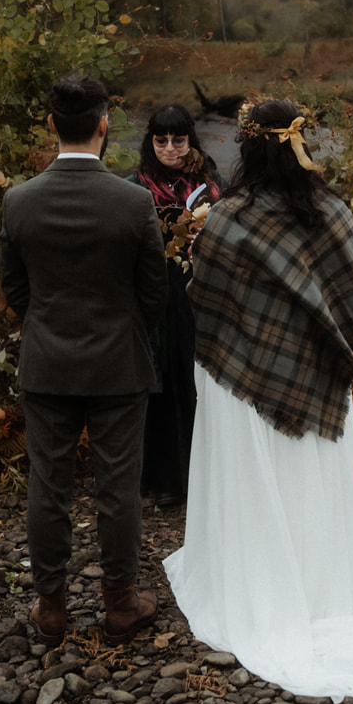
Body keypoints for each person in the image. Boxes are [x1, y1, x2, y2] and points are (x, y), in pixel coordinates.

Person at [163, 98, 353, 703]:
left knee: (253, 482)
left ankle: (255, 589)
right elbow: (347, 306)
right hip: (316, 375)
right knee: (307, 482)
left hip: (237, 378)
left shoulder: (228, 217)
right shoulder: (334, 212)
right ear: (299, 144)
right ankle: (321, 594)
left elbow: (206, 301)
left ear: (248, 148)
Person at [0, 75, 169, 647]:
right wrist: (125, 331)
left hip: (48, 362)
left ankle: (51, 607)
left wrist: (48, 326)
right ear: (104, 124)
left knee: (47, 485)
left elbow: (15, 291)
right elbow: (154, 291)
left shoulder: (19, 200)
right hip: (118, 362)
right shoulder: (134, 201)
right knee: (118, 487)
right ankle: (120, 602)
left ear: (51, 125)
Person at [126, 103, 225, 504]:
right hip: (153, 295)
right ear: (151, 142)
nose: (170, 148)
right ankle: (159, 480)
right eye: (162, 140)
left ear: (190, 140)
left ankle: (200, 481)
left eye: (178, 140)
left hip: (201, 294)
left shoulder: (212, 183)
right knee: (156, 387)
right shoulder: (135, 185)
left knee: (196, 382)